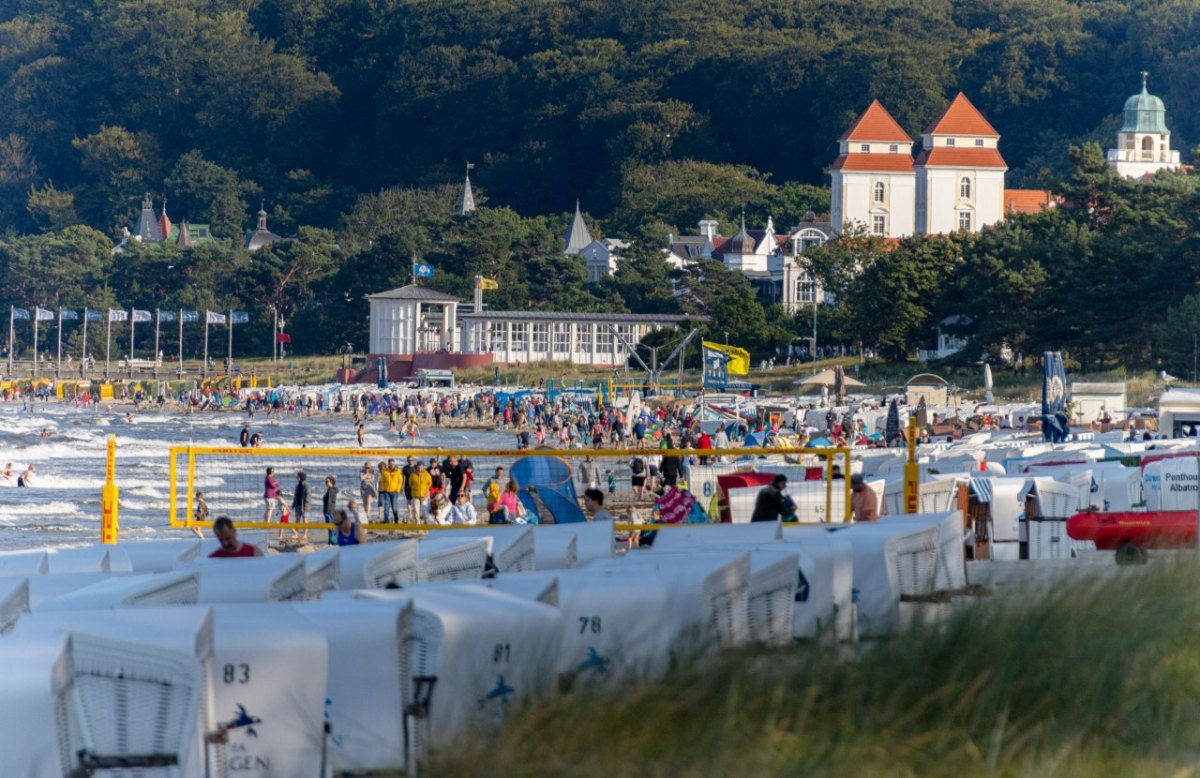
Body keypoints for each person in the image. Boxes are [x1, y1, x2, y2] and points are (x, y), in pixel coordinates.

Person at [378, 458, 402, 522]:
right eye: (390, 464)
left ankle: (396, 519)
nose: (391, 465)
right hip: (386, 492)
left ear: (394, 464)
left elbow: (400, 481)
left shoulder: (398, 471)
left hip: (394, 492)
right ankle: (386, 520)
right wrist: (383, 488)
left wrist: (398, 490)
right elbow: (382, 481)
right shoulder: (385, 471)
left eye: (393, 464)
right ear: (388, 464)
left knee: (394, 508)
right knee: (386, 507)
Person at [288, 471, 310, 540]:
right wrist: (292, 506)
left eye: (298, 476)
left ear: (301, 477)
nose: (296, 478)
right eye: (297, 476)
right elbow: (295, 497)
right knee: (297, 520)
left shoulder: (306, 485)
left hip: (305, 506)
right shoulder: (297, 486)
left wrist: (306, 506)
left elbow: (308, 497)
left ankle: (305, 534)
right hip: (298, 505)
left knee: (305, 520)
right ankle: (296, 534)